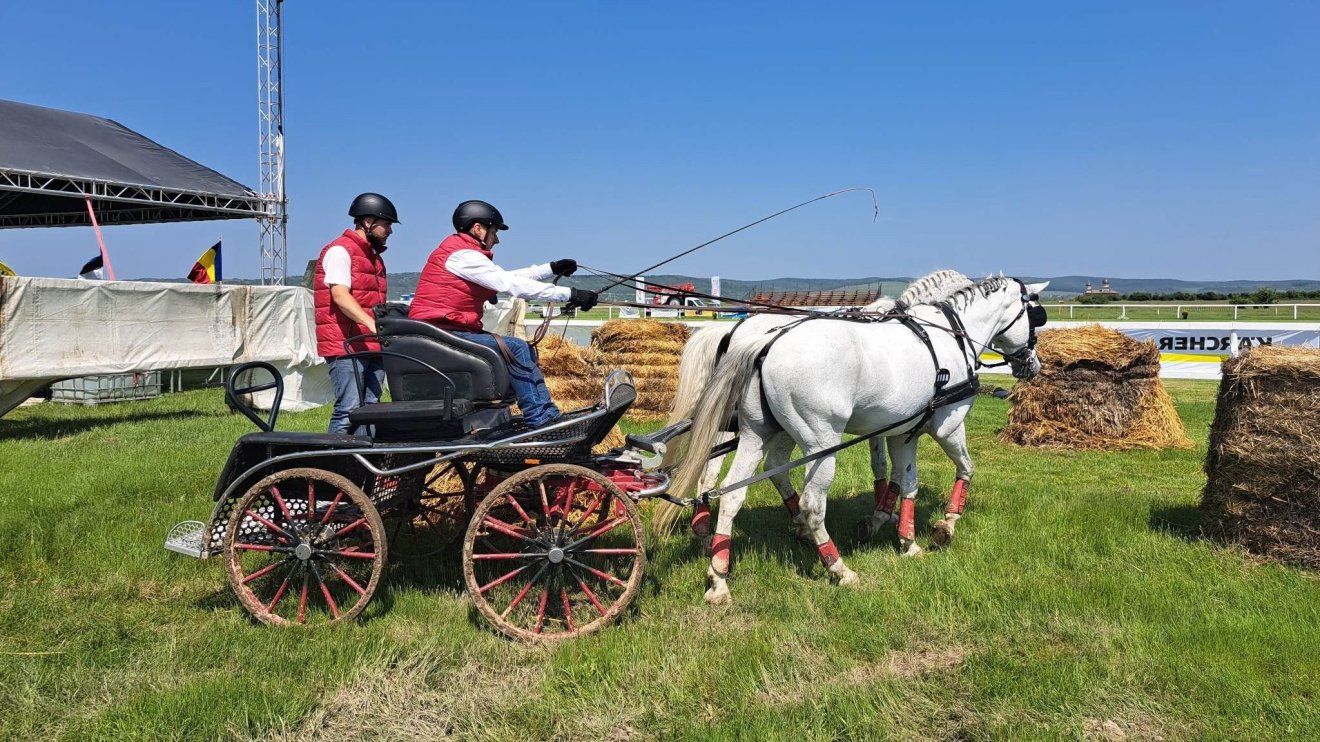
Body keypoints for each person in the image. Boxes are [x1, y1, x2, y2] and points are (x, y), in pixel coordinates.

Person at [408, 199, 598, 428]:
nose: (496, 239)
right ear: (478, 228)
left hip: (444, 330)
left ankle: (545, 414)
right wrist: (570, 294)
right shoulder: (462, 256)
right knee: (515, 348)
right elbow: (509, 284)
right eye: (494, 231)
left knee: (522, 347)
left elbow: (508, 279)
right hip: (439, 332)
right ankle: (540, 418)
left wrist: (550, 269)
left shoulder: (461, 253)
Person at [313, 192, 398, 434]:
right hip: (346, 345)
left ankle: (362, 467)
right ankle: (333, 465)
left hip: (370, 343)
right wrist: (373, 325)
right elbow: (340, 296)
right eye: (387, 224)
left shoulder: (374, 258)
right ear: (368, 222)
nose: (390, 231)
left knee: (371, 409)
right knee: (348, 410)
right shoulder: (340, 251)